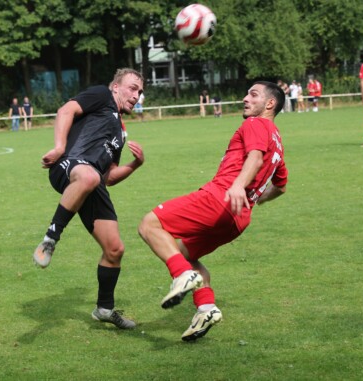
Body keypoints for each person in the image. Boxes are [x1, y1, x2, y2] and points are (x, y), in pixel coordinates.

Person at [137, 81, 288, 341]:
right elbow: (281, 186)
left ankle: (181, 276)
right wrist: (256, 198)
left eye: (253, 94)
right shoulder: (277, 140)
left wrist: (239, 186)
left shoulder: (255, 124)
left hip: (219, 199)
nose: (245, 98)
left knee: (149, 225)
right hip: (239, 218)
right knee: (183, 253)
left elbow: (255, 157)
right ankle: (206, 308)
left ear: (270, 104)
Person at [33, 68, 145, 329]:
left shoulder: (120, 132)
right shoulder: (101, 95)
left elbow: (109, 177)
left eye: (139, 91)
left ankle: (104, 309)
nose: (136, 95)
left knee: (115, 249)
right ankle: (50, 239)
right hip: (68, 165)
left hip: (93, 180)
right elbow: (65, 111)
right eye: (132, 88)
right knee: (89, 177)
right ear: (115, 87)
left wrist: (136, 164)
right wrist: (60, 147)